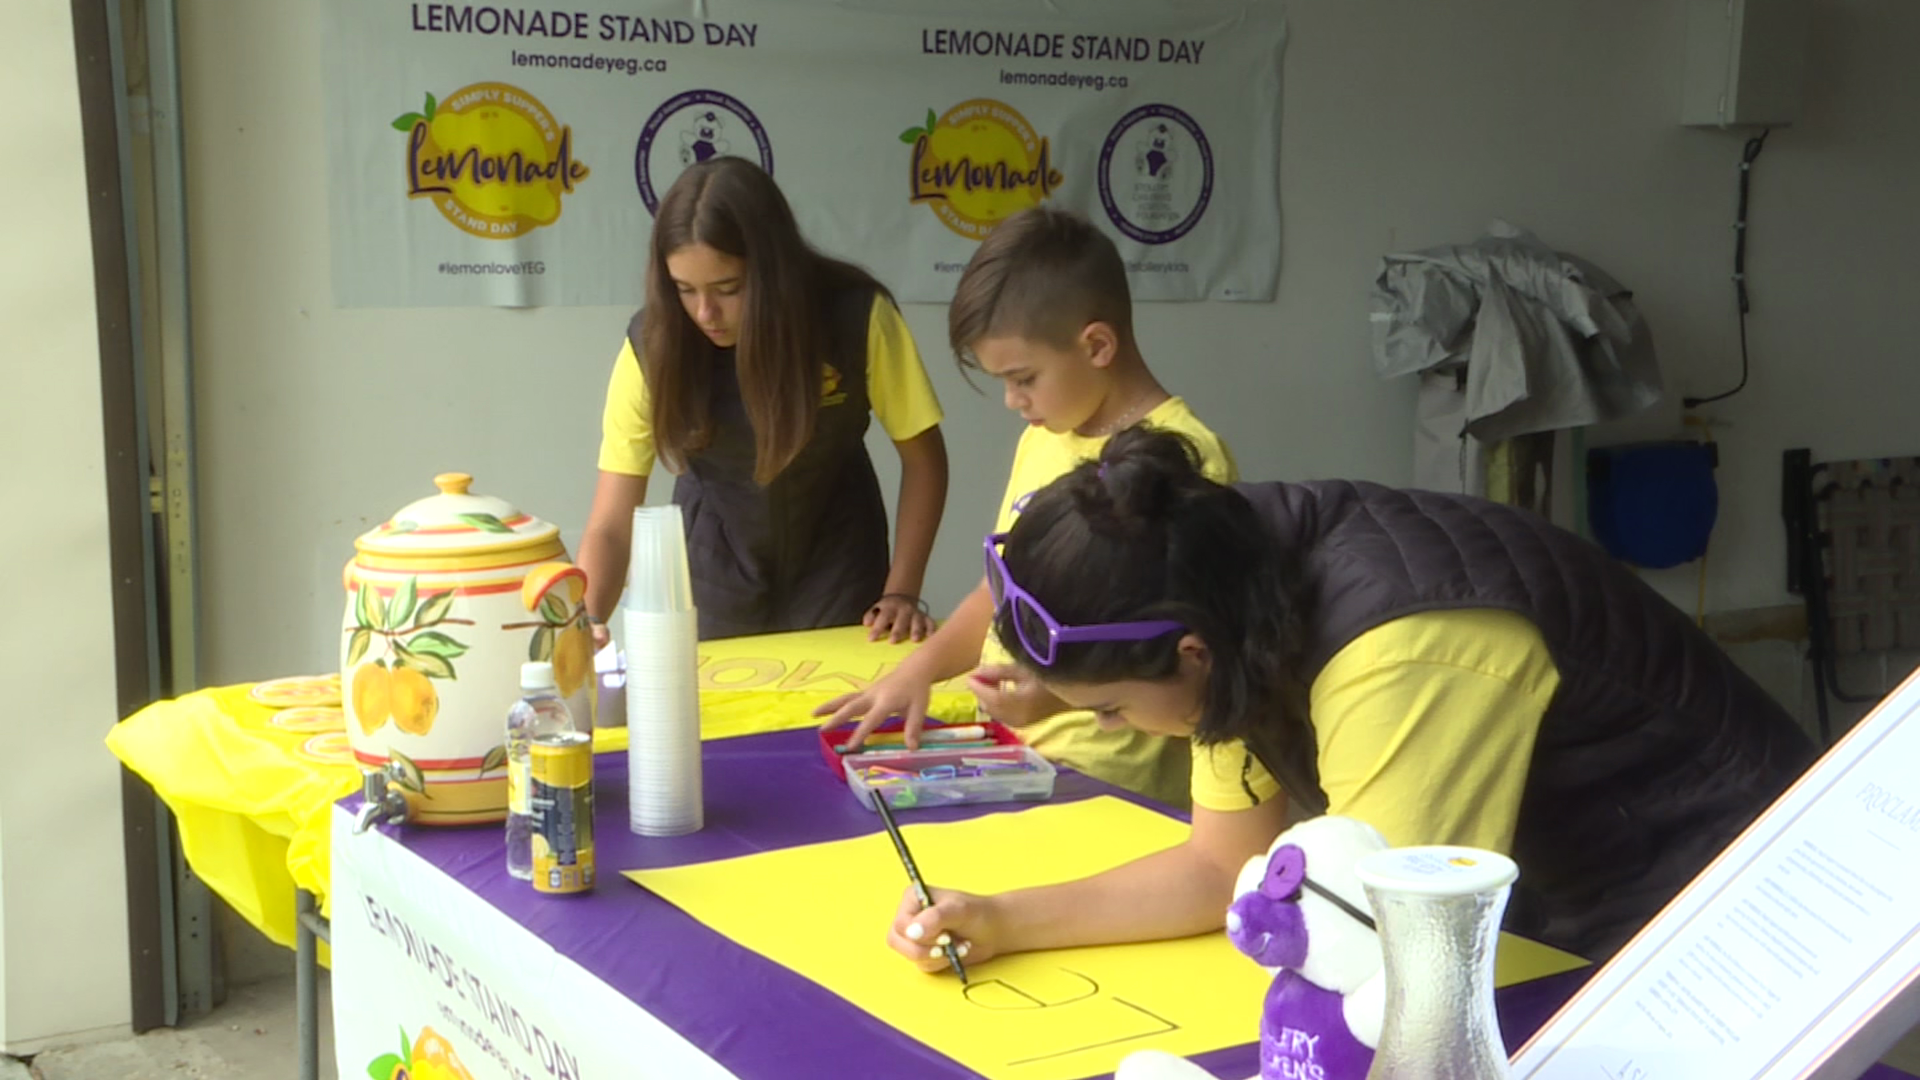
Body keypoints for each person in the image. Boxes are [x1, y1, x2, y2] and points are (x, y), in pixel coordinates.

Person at [885, 428, 1816, 970]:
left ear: (1191, 654)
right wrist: (1002, 920)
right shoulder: (1213, 575)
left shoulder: (1402, 650)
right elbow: (1220, 867)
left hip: (1733, 898)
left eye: (1112, 711)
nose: (1105, 726)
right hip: (1568, 902)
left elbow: (1371, 941)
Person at [816, 207, 1236, 807]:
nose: (1013, 401)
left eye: (1024, 378)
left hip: (1111, 776)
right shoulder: (1043, 436)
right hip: (1013, 754)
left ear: (1097, 345)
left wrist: (1057, 695)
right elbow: (1001, 592)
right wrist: (917, 671)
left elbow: (1190, 657)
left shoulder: (1189, 457)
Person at [578, 158, 949, 643]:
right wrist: (586, 620)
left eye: (728, 288)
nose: (705, 313)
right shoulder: (652, 344)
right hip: (713, 565)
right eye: (685, 290)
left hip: (840, 557)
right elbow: (611, 522)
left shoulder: (856, 318)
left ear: (773, 270)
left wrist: (901, 592)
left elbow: (925, 461)